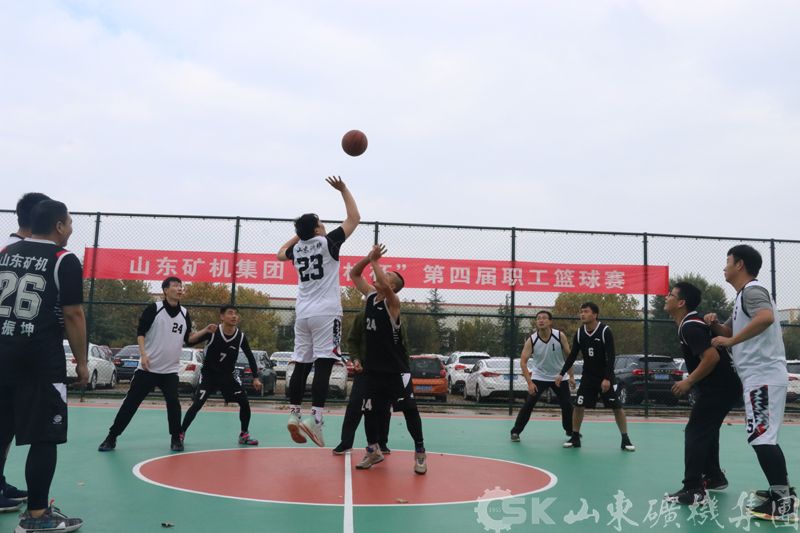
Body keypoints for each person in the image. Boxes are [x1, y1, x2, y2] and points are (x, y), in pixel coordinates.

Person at [0, 199, 87, 532]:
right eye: (70, 222)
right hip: (38, 362)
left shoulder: (5, 252)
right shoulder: (64, 259)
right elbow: (73, 314)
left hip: (3, 356)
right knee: (44, 437)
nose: (71, 228)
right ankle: (37, 516)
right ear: (59, 226)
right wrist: (81, 362)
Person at [705, 245, 795, 521]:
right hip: (760, 377)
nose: (724, 267)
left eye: (728, 261)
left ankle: (783, 502)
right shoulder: (743, 296)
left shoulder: (753, 291)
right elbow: (731, 330)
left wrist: (730, 340)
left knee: (761, 437)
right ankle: (782, 491)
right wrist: (716, 326)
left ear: (740, 265)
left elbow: (765, 318)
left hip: (763, 376)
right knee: (763, 436)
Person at [277, 176, 360, 447]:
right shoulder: (328, 242)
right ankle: (316, 419)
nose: (325, 226)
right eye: (321, 223)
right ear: (316, 229)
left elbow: (280, 253)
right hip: (326, 312)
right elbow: (354, 218)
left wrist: (301, 234)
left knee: (301, 363)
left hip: (303, 313)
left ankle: (294, 413)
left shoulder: (296, 250)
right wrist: (343, 189)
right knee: (324, 363)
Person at [97, 277, 214, 453]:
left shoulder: (184, 313)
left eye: (181, 286)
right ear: (165, 290)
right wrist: (143, 355)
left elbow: (188, 339)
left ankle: (176, 439)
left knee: (173, 404)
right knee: (130, 404)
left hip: (170, 371)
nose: (179, 288)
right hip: (148, 368)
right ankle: (111, 437)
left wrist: (205, 331)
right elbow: (140, 332)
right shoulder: (155, 308)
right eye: (175, 286)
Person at [663, 282, 742, 505]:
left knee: (695, 431)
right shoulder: (692, 323)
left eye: (670, 295)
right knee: (707, 430)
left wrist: (688, 381)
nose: (666, 297)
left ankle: (693, 489)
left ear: (681, 302)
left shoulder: (690, 326)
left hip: (720, 388)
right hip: (723, 386)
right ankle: (714, 476)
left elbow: (712, 358)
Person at [350, 245, 427, 475]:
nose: (382, 274)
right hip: (373, 369)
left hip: (396, 371)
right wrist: (369, 258)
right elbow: (354, 274)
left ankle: (420, 452)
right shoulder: (370, 296)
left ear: (392, 286)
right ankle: (373, 450)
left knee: (410, 411)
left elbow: (382, 281)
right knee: (368, 409)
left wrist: (375, 262)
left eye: (388, 275)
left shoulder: (393, 303)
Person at [0, 192, 49, 513]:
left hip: (12, 353)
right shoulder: (18, 254)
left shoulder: (10, 250)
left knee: (6, 424)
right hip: (11, 352)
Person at [556, 302, 635, 451]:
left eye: (586, 311)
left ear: (595, 314)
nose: (582, 314)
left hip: (604, 377)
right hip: (588, 377)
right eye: (581, 312)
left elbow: (611, 357)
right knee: (579, 405)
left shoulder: (605, 331)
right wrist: (562, 373)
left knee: (616, 407)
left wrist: (607, 378)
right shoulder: (580, 333)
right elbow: (572, 355)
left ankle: (625, 439)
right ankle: (575, 437)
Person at [180, 305, 262, 446]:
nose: (234, 316)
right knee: (197, 404)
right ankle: (180, 433)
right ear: (222, 317)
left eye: (236, 314)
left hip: (227, 377)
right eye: (230, 313)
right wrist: (204, 330)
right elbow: (189, 341)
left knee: (244, 402)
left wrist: (255, 377)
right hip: (209, 376)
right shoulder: (213, 331)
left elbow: (250, 357)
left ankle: (244, 434)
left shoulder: (240, 336)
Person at [331, 309, 391, 455]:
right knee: (355, 406)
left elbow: (399, 344)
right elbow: (352, 340)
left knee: (383, 407)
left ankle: (381, 443)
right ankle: (346, 443)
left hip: (384, 371)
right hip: (364, 370)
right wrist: (356, 359)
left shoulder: (392, 315)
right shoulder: (362, 316)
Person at [510, 311, 574, 443]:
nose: (541, 320)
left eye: (544, 318)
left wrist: (571, 376)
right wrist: (530, 383)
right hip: (539, 376)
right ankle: (515, 431)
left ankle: (570, 430)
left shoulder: (559, 336)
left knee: (567, 405)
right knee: (529, 404)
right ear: (536, 322)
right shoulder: (532, 340)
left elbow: (569, 356)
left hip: (559, 376)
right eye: (538, 318)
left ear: (550, 322)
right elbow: (523, 362)